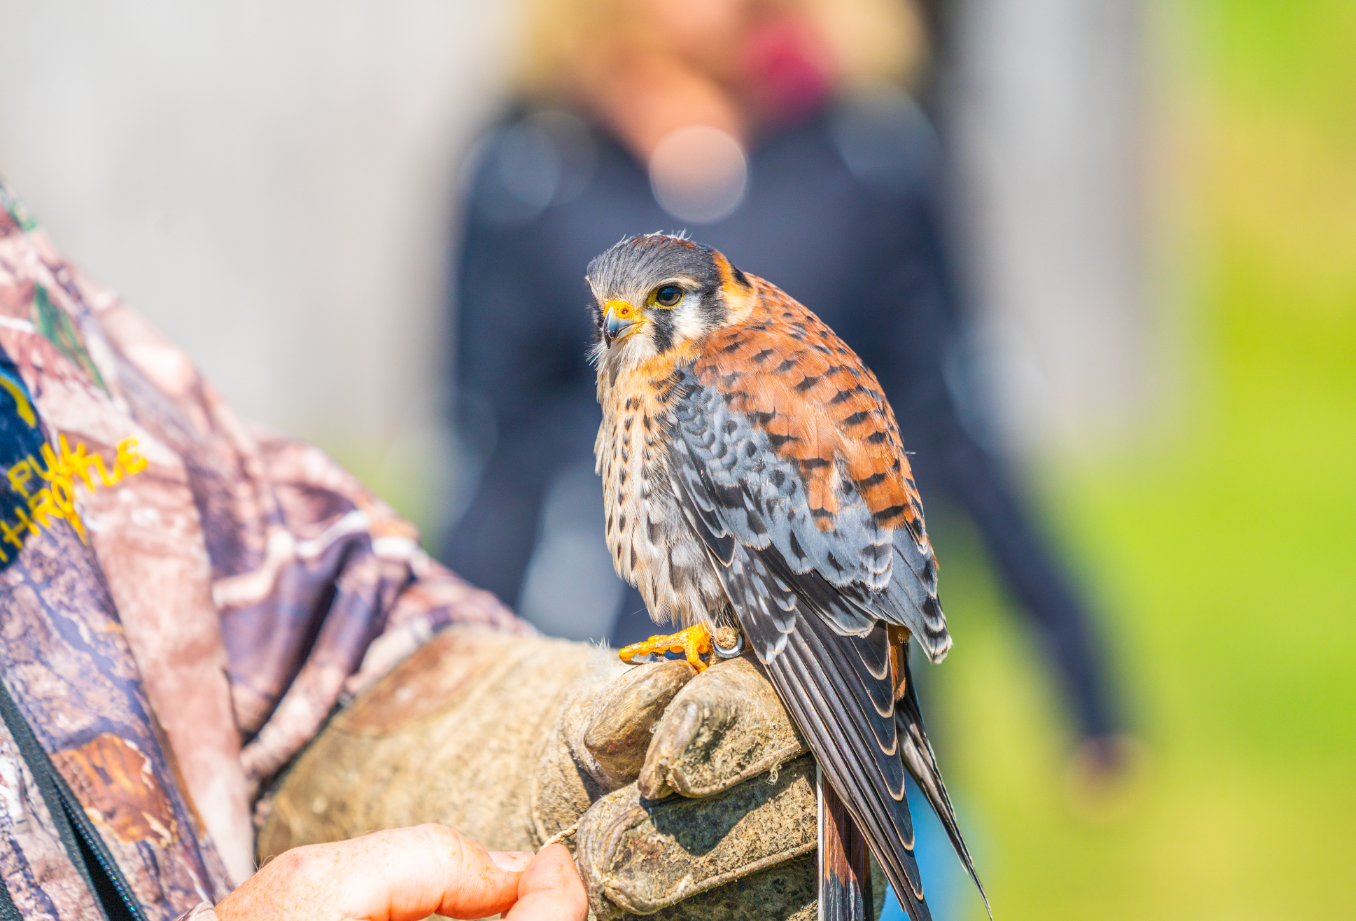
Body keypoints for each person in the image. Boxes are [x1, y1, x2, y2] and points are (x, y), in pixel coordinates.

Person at [445, 0, 1124, 750]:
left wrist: (1080, 673)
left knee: (865, 849)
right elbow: (490, 450)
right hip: (606, 667)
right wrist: (454, 678)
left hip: (835, 659)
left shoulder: (866, 148)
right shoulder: (533, 165)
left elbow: (951, 414)